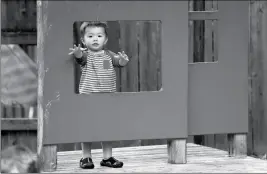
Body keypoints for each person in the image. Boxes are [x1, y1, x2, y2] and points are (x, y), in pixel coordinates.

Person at [69, 21, 129, 169]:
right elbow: (80, 59)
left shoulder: (109, 55)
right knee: (87, 127)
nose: (95, 39)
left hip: (107, 97)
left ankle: (107, 157)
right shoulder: (86, 55)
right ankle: (86, 157)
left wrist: (122, 61)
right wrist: (77, 53)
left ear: (105, 39)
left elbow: (118, 63)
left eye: (99, 35)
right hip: (88, 97)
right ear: (83, 40)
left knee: (106, 127)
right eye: (90, 36)